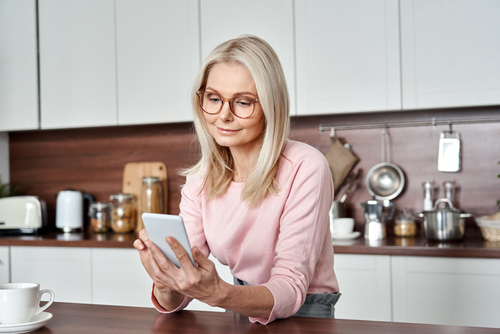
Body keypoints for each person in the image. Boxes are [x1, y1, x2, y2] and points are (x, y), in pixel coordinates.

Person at [134, 35, 340, 324]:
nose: (224, 115)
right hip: (240, 301)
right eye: (214, 99)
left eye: (243, 102)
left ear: (270, 106)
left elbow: (291, 286)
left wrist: (219, 294)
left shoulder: (305, 167)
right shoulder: (200, 181)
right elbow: (180, 294)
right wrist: (166, 282)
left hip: (305, 312)